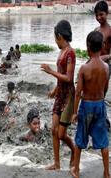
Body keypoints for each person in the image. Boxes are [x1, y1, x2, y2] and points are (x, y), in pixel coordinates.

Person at [70, 31, 110, 178]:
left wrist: (74, 112)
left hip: (86, 106)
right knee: (103, 141)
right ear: (102, 46)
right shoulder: (106, 68)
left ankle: (77, 170)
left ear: (87, 48)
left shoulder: (84, 69)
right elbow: (105, 88)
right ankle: (106, 173)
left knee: (80, 139)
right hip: (99, 104)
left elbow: (78, 93)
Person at [41, 20, 75, 170]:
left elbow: (69, 78)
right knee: (53, 129)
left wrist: (50, 71)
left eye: (55, 37)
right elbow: (61, 77)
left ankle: (74, 150)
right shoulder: (61, 52)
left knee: (61, 134)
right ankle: (57, 163)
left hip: (68, 97)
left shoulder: (70, 53)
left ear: (59, 36)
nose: (55, 41)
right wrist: (54, 90)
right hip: (60, 95)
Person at [94, 1, 111, 76]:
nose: (98, 17)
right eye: (96, 15)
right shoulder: (96, 30)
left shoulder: (110, 31)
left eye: (101, 14)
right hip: (94, 65)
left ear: (107, 13)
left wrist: (105, 57)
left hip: (105, 66)